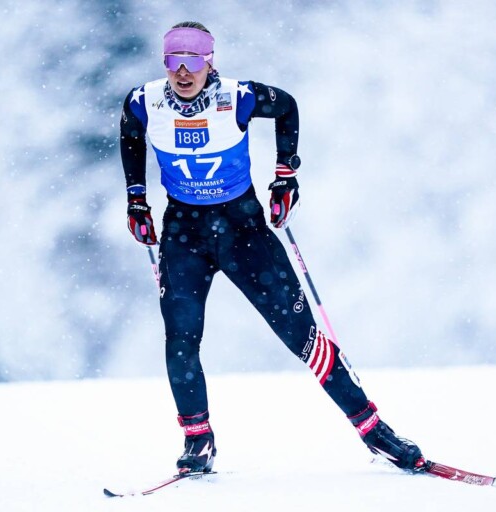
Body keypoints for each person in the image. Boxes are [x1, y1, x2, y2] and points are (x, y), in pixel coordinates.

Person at [120, 21, 424, 475]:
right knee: (181, 339)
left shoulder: (237, 97)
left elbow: (288, 107)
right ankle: (197, 440)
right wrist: (136, 199)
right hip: (185, 233)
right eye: (173, 61)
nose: (183, 72)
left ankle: (373, 429)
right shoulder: (146, 101)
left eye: (194, 61)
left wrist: (286, 175)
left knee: (303, 338)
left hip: (244, 232)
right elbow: (130, 133)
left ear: (209, 61)